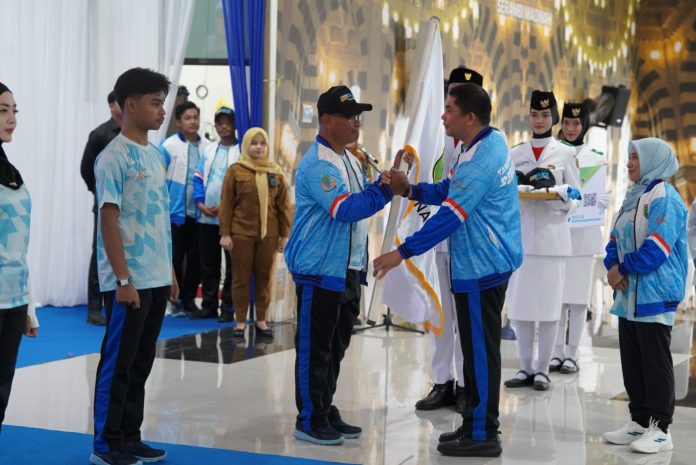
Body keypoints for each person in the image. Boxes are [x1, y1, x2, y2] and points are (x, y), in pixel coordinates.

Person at [374, 83, 522, 458]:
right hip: (479, 263)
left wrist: (401, 253)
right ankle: (474, 423)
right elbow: (446, 189)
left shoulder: (482, 160)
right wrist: (410, 190)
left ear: (470, 117)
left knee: (480, 352)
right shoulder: (478, 144)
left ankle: (484, 433)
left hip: (482, 266)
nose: (443, 116)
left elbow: (450, 216)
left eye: (450, 110)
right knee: (473, 350)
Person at [284, 85, 408, 446]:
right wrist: (385, 191)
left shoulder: (350, 160)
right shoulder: (319, 165)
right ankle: (309, 418)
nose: (356, 122)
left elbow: (361, 197)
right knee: (315, 347)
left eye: (358, 116)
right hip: (320, 269)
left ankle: (323, 407)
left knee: (335, 346)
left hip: (348, 268)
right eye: (349, 116)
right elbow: (345, 209)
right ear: (326, 120)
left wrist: (381, 182)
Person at [91, 68, 179, 465]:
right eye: (155, 103)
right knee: (119, 364)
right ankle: (107, 443)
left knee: (141, 363)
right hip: (129, 281)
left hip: (156, 276)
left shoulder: (156, 155)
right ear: (130, 105)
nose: (162, 111)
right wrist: (123, 278)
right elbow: (109, 221)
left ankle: (130, 435)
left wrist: (170, 271)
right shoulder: (112, 157)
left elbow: (158, 217)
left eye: (163, 103)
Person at [602, 138, 686, 454]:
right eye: (629, 157)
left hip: (654, 292)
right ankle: (639, 420)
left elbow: (657, 248)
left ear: (653, 159)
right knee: (633, 361)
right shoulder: (633, 196)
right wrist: (613, 266)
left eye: (635, 157)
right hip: (629, 296)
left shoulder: (666, 198)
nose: (629, 163)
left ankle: (661, 429)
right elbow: (614, 239)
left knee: (655, 363)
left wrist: (622, 269)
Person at [411, 66, 485, 414]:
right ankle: (443, 381)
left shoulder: (481, 144)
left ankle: (467, 385)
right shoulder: (437, 134)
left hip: (469, 243)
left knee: (467, 321)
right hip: (437, 237)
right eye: (452, 91)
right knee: (441, 314)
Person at [505, 90, 580, 392]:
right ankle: (525, 366)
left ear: (554, 118)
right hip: (521, 238)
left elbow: (576, 197)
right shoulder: (515, 153)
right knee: (521, 306)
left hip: (552, 240)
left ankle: (543, 369)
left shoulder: (565, 153)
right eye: (535, 115)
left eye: (545, 115)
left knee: (549, 308)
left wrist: (562, 199)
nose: (539, 120)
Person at [552, 102, 610, 374]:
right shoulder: (552, 154)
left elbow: (596, 194)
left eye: (576, 123)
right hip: (556, 232)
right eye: (567, 122)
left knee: (577, 299)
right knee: (556, 297)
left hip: (584, 236)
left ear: (584, 125)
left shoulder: (596, 158)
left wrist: (600, 202)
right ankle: (554, 352)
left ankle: (572, 353)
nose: (571, 128)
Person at [218, 127, 291, 338]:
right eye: (254, 143)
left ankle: (261, 321)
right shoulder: (235, 170)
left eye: (262, 143)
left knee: (264, 278)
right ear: (246, 145)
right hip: (241, 233)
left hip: (269, 234)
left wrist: (285, 235)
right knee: (240, 278)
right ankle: (240, 322)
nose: (258, 147)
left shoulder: (275, 172)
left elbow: (284, 207)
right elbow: (226, 203)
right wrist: (225, 233)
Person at [0, 82, 39, 432]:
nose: (12, 119)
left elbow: (20, 245)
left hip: (12, 300)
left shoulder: (12, 173)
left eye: (14, 111)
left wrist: (28, 306)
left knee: (1, 393)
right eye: (2, 111)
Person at [161, 101, 209, 317]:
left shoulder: (208, 147)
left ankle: (189, 299)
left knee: (197, 259)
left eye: (196, 117)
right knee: (175, 259)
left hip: (200, 214)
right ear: (179, 122)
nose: (193, 121)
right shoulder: (168, 146)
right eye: (188, 118)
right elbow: (159, 178)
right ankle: (173, 299)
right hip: (175, 213)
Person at [191, 106, 239, 322]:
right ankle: (209, 305)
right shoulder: (209, 150)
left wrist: (225, 206)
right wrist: (200, 203)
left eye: (228, 122)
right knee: (208, 264)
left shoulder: (241, 151)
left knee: (232, 265)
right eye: (220, 123)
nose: (224, 127)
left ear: (235, 125)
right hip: (205, 217)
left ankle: (228, 308)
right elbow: (198, 178)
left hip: (231, 219)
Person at [80, 90, 122, 326]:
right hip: (105, 204)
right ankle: (95, 308)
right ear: (111, 105)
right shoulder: (99, 135)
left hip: (127, 205)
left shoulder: (132, 134)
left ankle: (117, 301)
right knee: (100, 252)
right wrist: (99, 192)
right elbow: (87, 169)